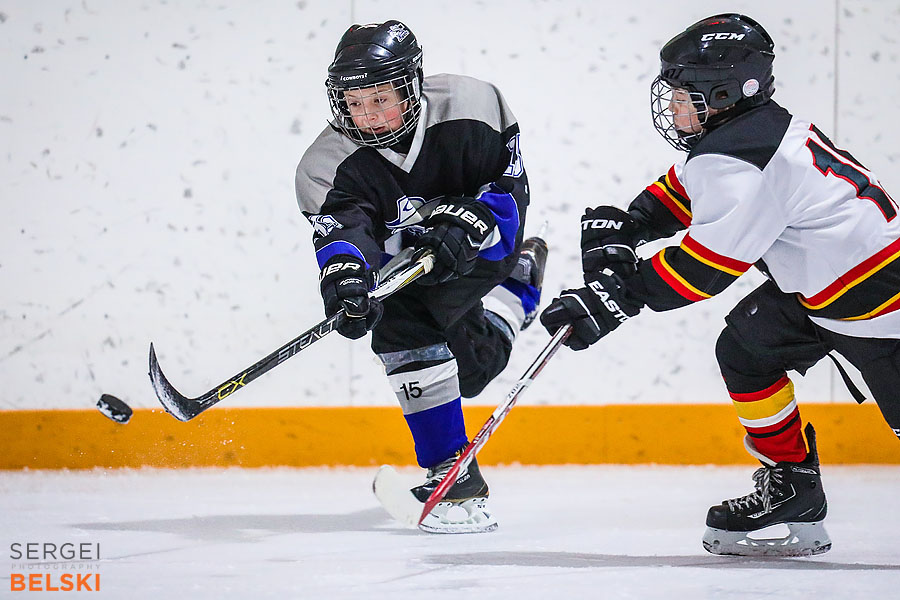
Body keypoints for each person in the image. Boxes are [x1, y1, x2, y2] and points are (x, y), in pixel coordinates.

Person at [541, 13, 900, 556]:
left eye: (685, 95)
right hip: (826, 292)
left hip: (880, 306)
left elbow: (704, 269)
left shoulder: (741, 157)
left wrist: (616, 296)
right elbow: (686, 190)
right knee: (745, 352)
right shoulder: (746, 133)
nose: (674, 107)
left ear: (728, 92)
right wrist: (631, 225)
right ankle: (793, 488)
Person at [295, 20, 547, 533]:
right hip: (405, 265)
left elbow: (508, 191)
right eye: (354, 102)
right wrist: (346, 280)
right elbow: (343, 232)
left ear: (411, 86)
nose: (367, 115)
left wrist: (470, 222)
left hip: (480, 251)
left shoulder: (473, 107)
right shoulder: (325, 164)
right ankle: (516, 296)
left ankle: (453, 476)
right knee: (472, 373)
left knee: (401, 326)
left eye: (380, 98)